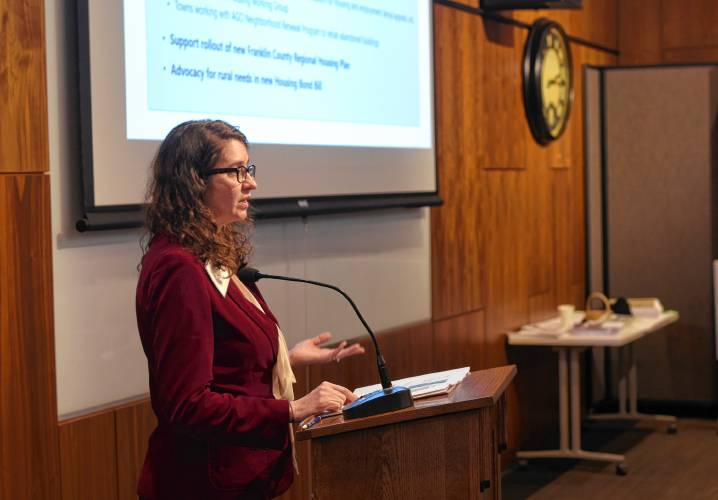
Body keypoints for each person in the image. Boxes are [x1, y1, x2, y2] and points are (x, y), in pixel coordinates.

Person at [135, 119, 365, 500]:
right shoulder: (179, 268)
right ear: (194, 181)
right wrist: (294, 409)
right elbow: (188, 404)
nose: (251, 183)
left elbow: (219, 360)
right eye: (236, 171)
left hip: (241, 476)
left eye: (249, 169)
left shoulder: (206, 255)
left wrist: (282, 359)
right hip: (202, 484)